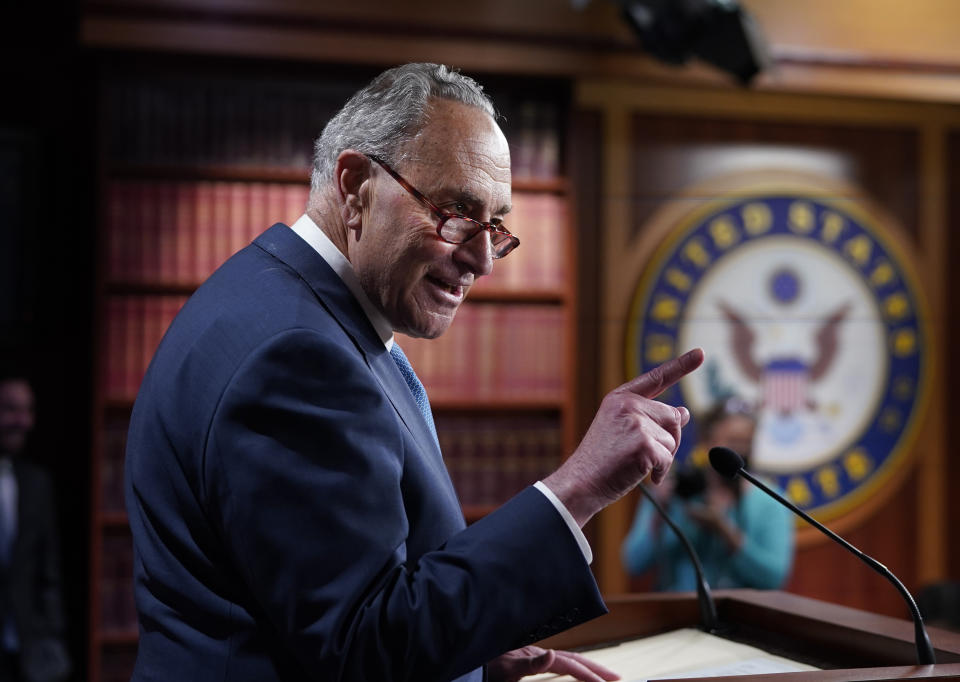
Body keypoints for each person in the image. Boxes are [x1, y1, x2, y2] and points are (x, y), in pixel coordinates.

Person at [125, 62, 704, 682]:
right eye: (456, 210)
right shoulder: (297, 355)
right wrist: (579, 486)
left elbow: (335, 607)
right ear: (355, 186)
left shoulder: (283, 300)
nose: (483, 259)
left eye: (495, 223)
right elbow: (363, 649)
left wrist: (471, 653)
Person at [621, 398, 794, 592]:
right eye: (733, 442)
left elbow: (774, 578)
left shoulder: (769, 500)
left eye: (747, 443)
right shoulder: (676, 491)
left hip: (740, 617)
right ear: (706, 442)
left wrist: (724, 530)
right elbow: (633, 563)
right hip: (677, 613)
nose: (741, 451)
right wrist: (659, 512)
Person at [0, 373, 70, 682]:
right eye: (12, 409)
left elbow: (48, 572)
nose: (22, 421)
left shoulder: (37, 483)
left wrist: (51, 637)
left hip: (26, 645)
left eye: (28, 411)